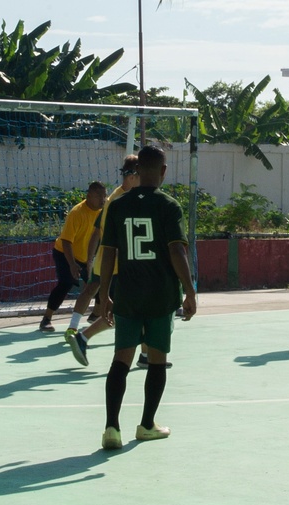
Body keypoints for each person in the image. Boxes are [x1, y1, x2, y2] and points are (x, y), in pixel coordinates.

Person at [93, 145, 196, 450]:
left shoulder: (119, 206)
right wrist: (189, 291)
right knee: (157, 360)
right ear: (163, 171)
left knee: (120, 360)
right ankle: (147, 424)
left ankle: (111, 428)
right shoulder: (169, 206)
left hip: (127, 294)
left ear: (137, 171)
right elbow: (177, 250)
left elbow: (108, 252)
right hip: (160, 295)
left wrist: (103, 296)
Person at [65, 155, 169, 368]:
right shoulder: (120, 200)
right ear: (132, 176)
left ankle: (145, 355)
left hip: (119, 263)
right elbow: (116, 236)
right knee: (128, 310)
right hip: (118, 265)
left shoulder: (124, 197)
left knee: (136, 308)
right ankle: (83, 337)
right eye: (141, 175)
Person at [38, 181, 107, 333]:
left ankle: (95, 315)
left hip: (86, 257)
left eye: (104, 196)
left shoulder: (104, 211)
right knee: (65, 283)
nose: (102, 199)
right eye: (98, 196)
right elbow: (66, 241)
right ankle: (46, 319)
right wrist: (72, 264)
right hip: (65, 253)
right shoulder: (77, 213)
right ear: (88, 196)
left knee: (102, 283)